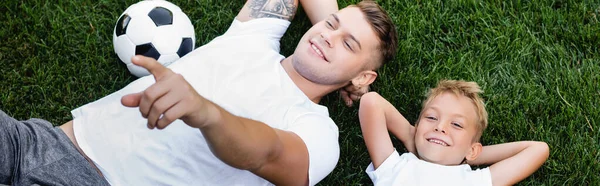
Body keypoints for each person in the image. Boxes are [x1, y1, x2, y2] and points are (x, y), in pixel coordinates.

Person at [0, 0, 398, 185]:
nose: (328, 38)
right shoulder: (256, 36)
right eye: (330, 24)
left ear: (364, 77)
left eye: (348, 45)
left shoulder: (317, 133)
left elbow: (268, 153)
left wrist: (205, 112)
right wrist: (337, 22)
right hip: (38, 140)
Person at [358, 80, 550, 185]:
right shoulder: (396, 167)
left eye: (456, 125)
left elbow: (538, 149)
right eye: (431, 118)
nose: (440, 127)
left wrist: (468, 155)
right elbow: (371, 102)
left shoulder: (474, 181)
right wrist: (412, 136)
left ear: (473, 150)